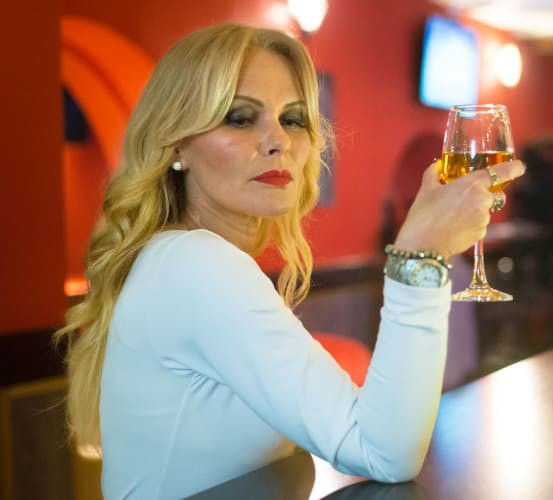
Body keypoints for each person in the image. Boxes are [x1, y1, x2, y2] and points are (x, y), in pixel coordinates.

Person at [54, 24, 525, 498]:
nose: (278, 140)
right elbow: (384, 450)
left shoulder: (177, 258)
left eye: (293, 119)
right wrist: (421, 256)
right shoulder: (193, 263)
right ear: (176, 146)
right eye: (240, 118)